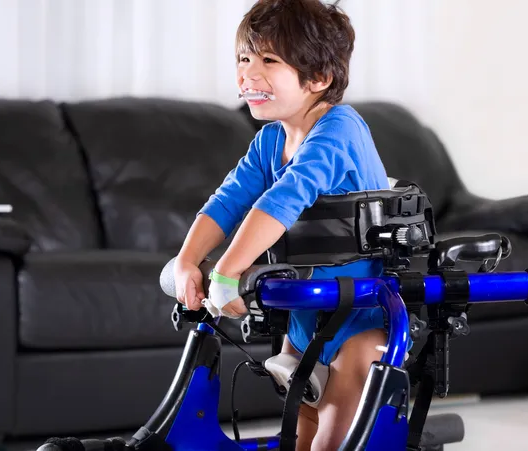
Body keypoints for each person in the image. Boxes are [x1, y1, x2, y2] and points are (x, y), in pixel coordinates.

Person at [173, 0, 390, 449]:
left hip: (359, 320)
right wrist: (187, 261)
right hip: (304, 319)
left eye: (269, 60)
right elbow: (229, 200)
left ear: (318, 78)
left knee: (328, 441)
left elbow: (282, 200)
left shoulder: (339, 130)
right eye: (244, 59)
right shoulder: (270, 139)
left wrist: (227, 272)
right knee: (299, 435)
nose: (248, 73)